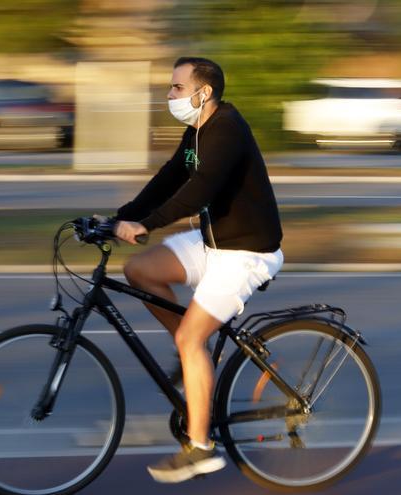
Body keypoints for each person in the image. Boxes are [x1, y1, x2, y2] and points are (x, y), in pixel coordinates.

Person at [113, 56, 284, 483]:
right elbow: (171, 178)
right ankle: (194, 357)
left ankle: (201, 449)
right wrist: (117, 217)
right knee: (141, 271)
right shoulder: (197, 130)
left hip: (247, 251)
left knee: (192, 336)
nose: (169, 95)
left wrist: (146, 223)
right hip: (214, 241)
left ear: (202, 92)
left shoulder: (226, 130)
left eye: (175, 87)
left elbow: (199, 190)